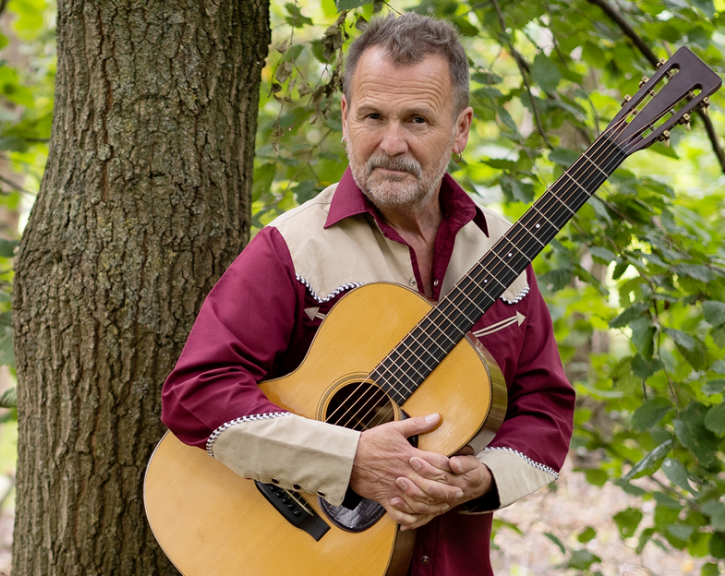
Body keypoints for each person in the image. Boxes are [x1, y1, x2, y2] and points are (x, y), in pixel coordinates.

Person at [160, 12, 574, 575]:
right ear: (345, 117)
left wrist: (483, 478)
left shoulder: (502, 252)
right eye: (373, 116)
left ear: (460, 129)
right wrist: (346, 458)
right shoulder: (293, 248)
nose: (391, 143)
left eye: (418, 119)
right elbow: (196, 394)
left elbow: (545, 406)